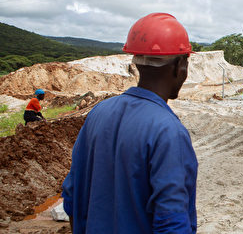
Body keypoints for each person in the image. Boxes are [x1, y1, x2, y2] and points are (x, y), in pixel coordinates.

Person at [62, 13, 198, 233]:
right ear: (180, 66)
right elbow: (172, 222)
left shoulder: (98, 113)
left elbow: (71, 198)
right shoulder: (169, 132)